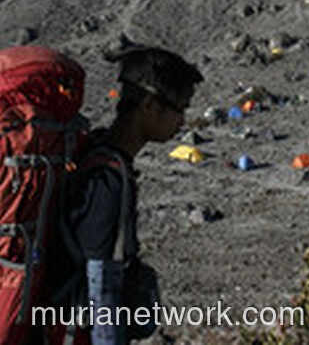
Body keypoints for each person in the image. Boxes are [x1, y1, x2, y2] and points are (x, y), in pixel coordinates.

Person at [56, 41, 203, 345]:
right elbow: (101, 291)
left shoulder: (97, 155)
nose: (183, 122)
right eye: (180, 109)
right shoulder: (108, 180)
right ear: (149, 106)